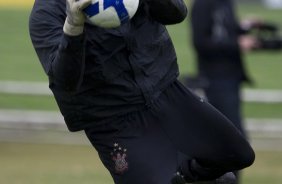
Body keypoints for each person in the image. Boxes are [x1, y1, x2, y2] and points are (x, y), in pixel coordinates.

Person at [29, 0, 255, 183]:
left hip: (167, 93)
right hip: (114, 121)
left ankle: (186, 177)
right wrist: (73, 27)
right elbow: (64, 81)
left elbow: (177, 13)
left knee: (238, 154)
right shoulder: (46, 12)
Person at [190, 0, 259, 183]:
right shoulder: (203, 4)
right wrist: (237, 43)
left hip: (232, 80)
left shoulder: (226, 2)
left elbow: (223, 32)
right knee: (231, 143)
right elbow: (201, 42)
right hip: (216, 81)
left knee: (235, 141)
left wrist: (244, 27)